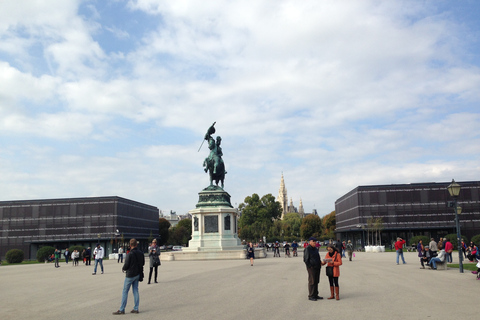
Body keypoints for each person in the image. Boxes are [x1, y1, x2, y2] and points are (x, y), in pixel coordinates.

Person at [113, 238, 145, 315]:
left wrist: (124, 268)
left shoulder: (130, 254)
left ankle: (122, 309)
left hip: (130, 274)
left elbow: (126, 265)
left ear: (130, 245)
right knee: (135, 290)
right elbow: (143, 263)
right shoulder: (141, 253)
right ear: (136, 244)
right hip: (137, 273)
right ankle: (136, 308)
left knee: (125, 291)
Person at [303, 237, 323, 301]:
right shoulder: (307, 249)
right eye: (313, 241)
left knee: (316, 281)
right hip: (312, 268)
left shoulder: (315, 249)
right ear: (310, 242)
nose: (315, 242)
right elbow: (306, 259)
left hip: (317, 266)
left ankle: (315, 294)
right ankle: (311, 295)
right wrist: (310, 266)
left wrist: (320, 262)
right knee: (312, 281)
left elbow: (317, 257)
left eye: (315, 241)